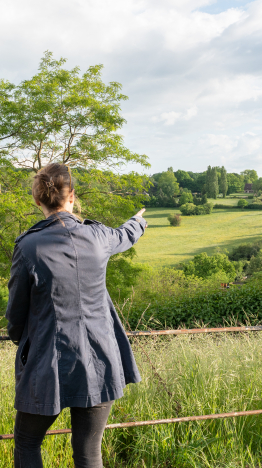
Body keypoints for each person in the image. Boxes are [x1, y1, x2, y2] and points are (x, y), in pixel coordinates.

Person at [6, 163, 147, 468]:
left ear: (37, 200)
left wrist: (25, 341)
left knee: (28, 442)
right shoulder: (98, 236)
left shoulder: (28, 246)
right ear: (72, 197)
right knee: (88, 452)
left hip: (47, 365)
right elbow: (125, 234)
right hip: (100, 361)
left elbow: (16, 315)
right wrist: (138, 221)